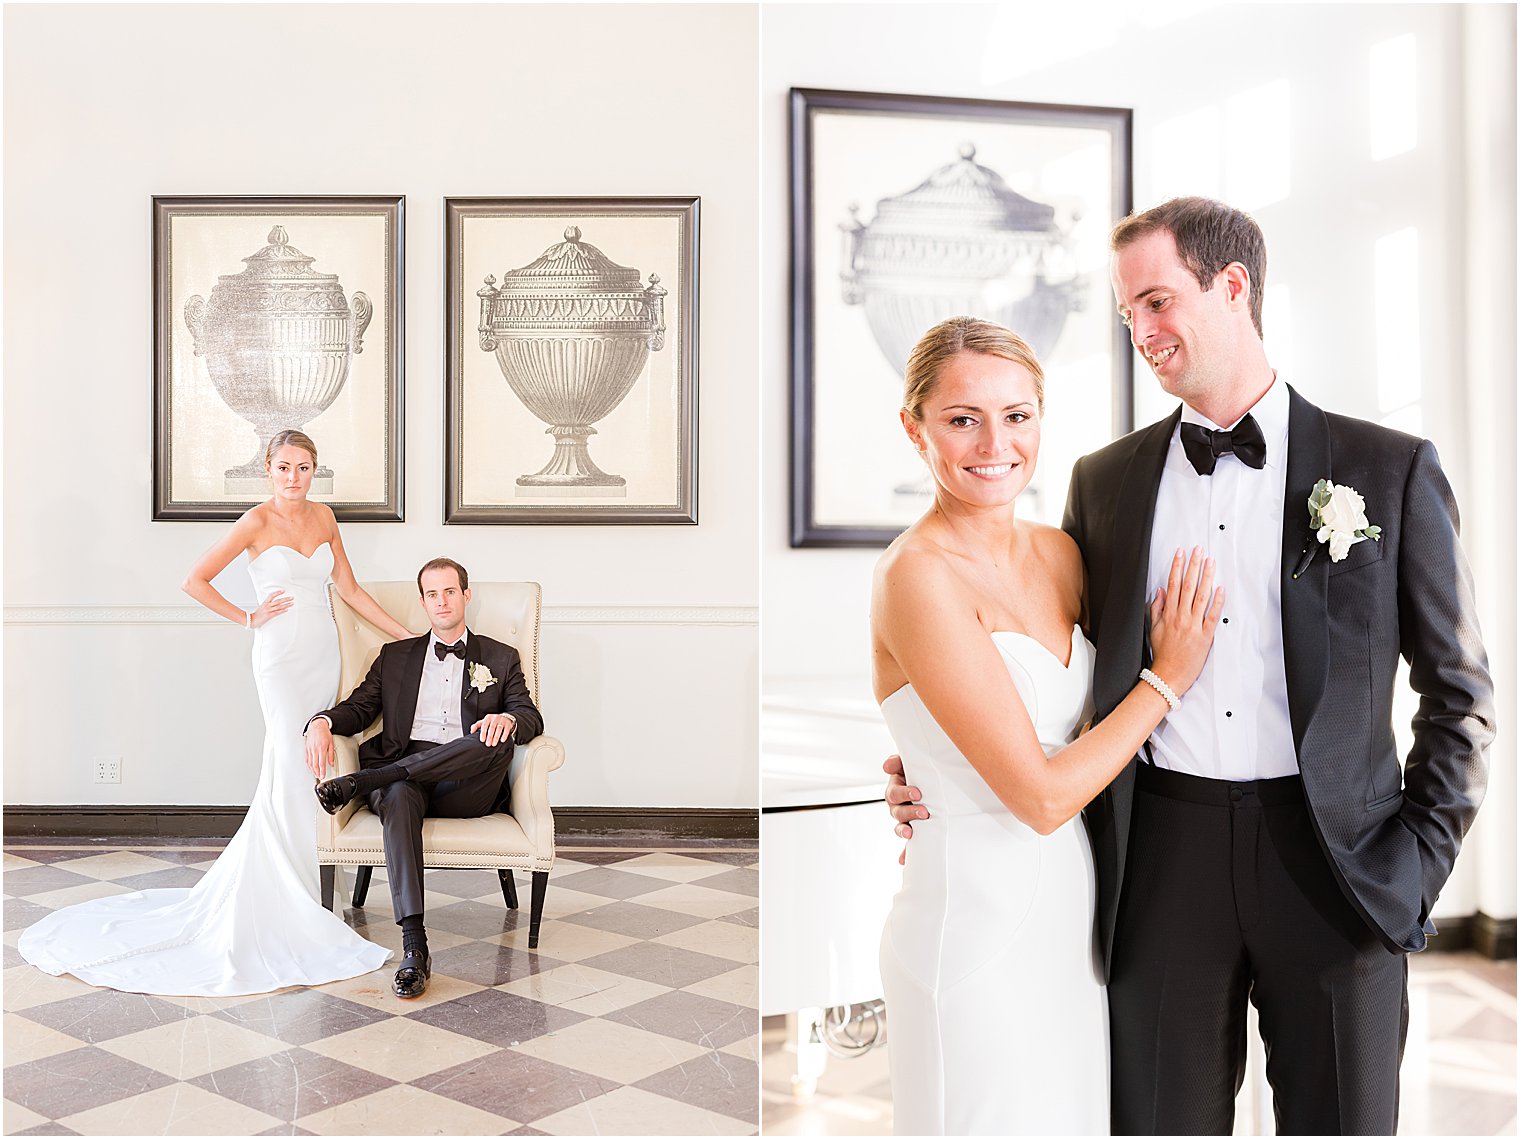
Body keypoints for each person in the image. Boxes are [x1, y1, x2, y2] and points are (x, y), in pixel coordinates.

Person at [888, 198, 1496, 1134]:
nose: (1143, 331)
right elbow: (1035, 672)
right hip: (1160, 864)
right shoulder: (1104, 482)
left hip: (1339, 867)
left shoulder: (1390, 468)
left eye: (1159, 302)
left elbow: (1459, 695)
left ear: (1235, 286)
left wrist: (1414, 868)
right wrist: (929, 762)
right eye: (1128, 311)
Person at [872, 316, 1223, 1135]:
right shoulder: (916, 576)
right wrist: (1165, 680)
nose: (995, 442)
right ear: (913, 427)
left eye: (1018, 414)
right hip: (973, 938)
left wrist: (920, 762)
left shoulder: (1061, 554)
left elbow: (1077, 733)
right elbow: (1036, 796)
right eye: (963, 418)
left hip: (1074, 932)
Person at [19, 429, 413, 995]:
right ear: (268, 471)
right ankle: (285, 898)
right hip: (279, 657)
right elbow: (193, 579)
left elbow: (348, 589)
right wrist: (249, 617)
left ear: (314, 471)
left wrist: (411, 639)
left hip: (322, 653)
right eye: (283, 467)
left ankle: (306, 889)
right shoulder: (255, 522)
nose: (293, 477)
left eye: (304, 467)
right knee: (286, 759)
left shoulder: (325, 517)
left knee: (316, 763)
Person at [304, 557, 543, 999]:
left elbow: (530, 715)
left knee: (494, 739)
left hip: (466, 784)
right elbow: (359, 709)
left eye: (450, 591)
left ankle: (367, 781)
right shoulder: (395, 657)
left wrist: (509, 721)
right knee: (397, 789)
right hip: (406, 780)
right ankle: (415, 947)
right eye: (432, 594)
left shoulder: (499, 657)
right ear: (423, 602)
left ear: (466, 596)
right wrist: (320, 720)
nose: (442, 601)